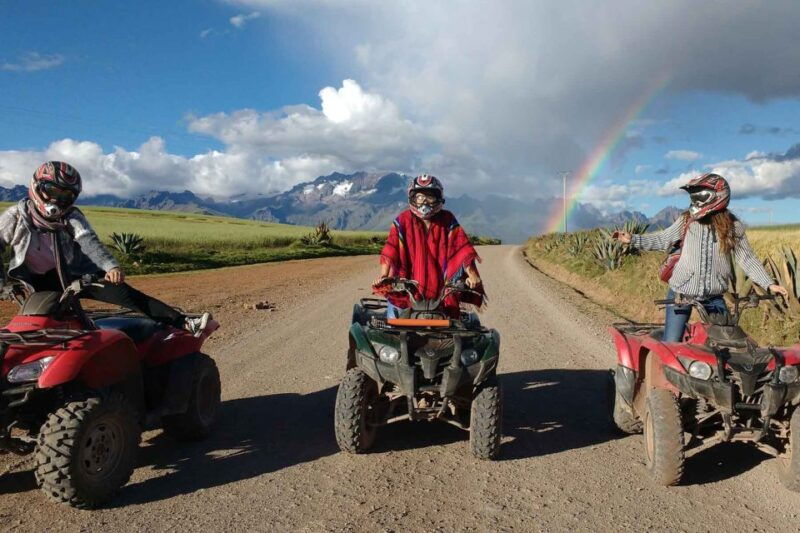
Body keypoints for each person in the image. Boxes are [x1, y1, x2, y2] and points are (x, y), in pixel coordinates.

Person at [0, 161, 210, 336]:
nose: (57, 199)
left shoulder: (72, 216)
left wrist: (110, 267)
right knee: (43, 320)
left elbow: (89, 242)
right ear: (37, 187)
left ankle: (183, 322)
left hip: (77, 275)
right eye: (52, 190)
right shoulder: (15, 217)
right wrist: (2, 284)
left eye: (66, 195)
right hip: (40, 280)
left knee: (127, 296)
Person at [614, 172, 787, 342]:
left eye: (701, 196)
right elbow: (663, 239)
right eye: (694, 196)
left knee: (726, 342)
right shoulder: (687, 221)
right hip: (681, 293)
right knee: (672, 342)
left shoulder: (733, 227)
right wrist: (633, 239)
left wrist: (769, 284)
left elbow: (746, 258)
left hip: (713, 296)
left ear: (719, 195)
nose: (696, 201)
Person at [374, 174, 485, 318]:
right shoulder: (402, 220)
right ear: (413, 198)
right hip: (406, 290)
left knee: (454, 326)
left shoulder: (447, 219)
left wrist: (472, 275)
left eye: (430, 197)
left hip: (441, 292)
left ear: (438, 198)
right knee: (394, 324)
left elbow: (461, 248)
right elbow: (391, 250)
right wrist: (384, 276)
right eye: (420, 197)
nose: (424, 201)